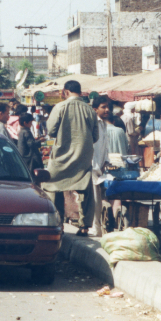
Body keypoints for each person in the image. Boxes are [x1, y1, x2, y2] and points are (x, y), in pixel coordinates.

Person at [42, 80, 99, 237]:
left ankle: (57, 222)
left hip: (61, 156)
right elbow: (95, 136)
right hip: (83, 156)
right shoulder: (90, 110)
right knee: (85, 190)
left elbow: (51, 130)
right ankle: (84, 226)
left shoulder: (59, 107)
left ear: (65, 92)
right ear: (80, 92)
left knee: (52, 186)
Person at [90, 95, 111, 237]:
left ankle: (97, 228)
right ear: (95, 109)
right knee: (94, 200)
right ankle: (94, 228)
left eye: (108, 107)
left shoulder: (104, 124)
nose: (107, 110)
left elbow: (104, 146)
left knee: (98, 199)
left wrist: (105, 163)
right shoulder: (92, 123)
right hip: (91, 166)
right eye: (103, 107)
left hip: (100, 167)